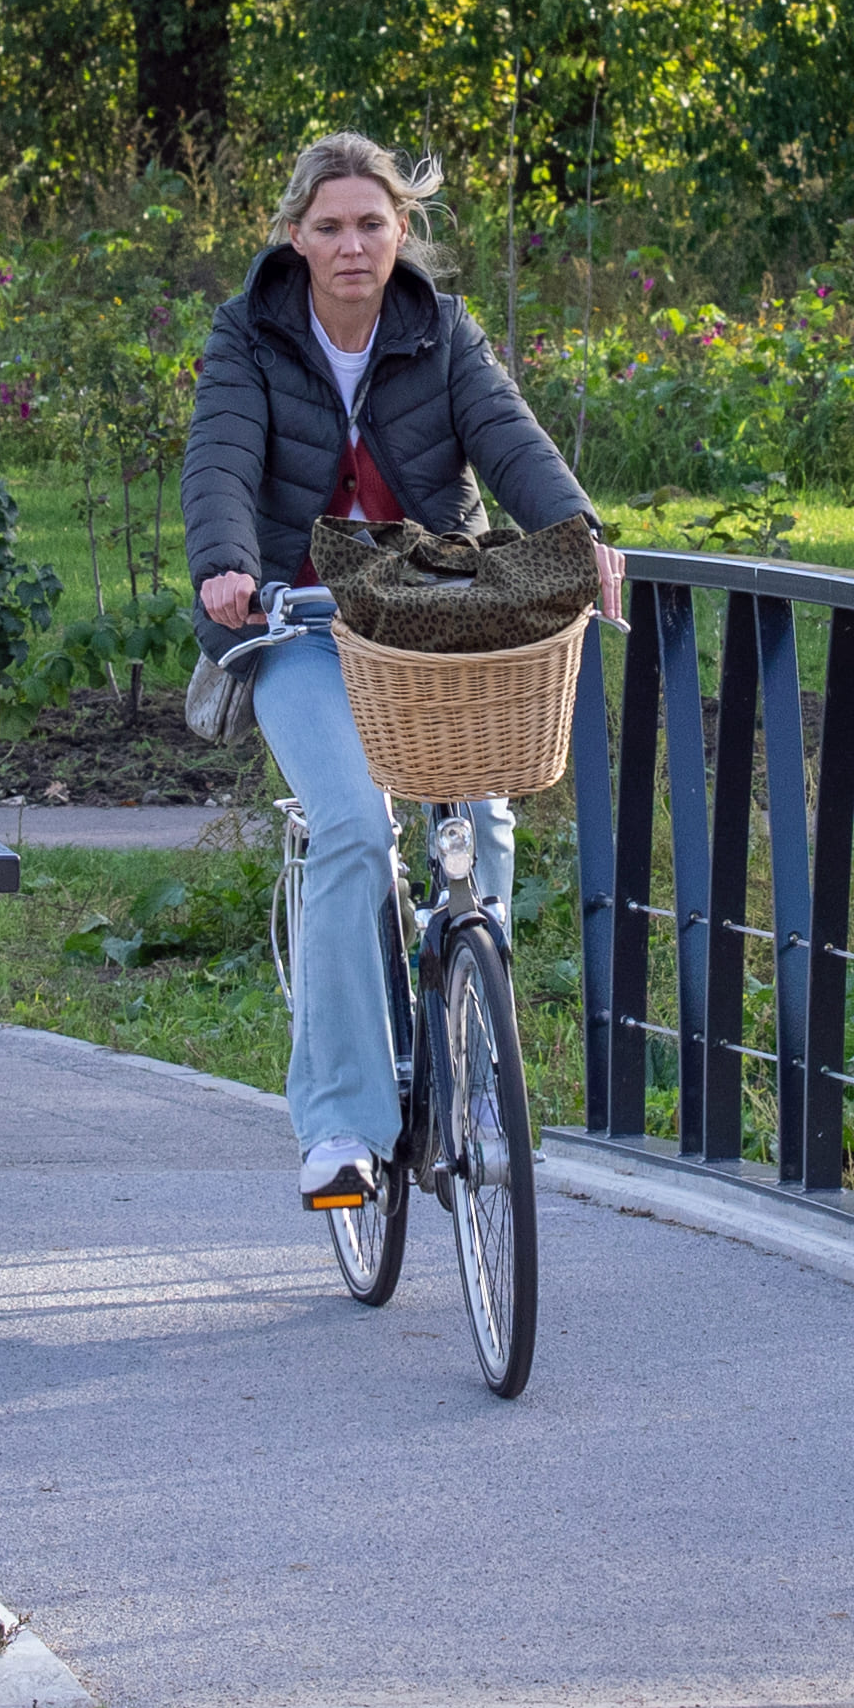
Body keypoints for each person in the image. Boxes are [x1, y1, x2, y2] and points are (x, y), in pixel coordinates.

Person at [186, 130, 617, 1216]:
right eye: (329, 226)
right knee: (351, 828)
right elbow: (221, 457)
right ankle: (340, 1125)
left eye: (372, 224)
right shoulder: (248, 335)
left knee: (486, 819)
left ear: (401, 230)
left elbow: (510, 441)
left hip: (433, 616)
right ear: (294, 235)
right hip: (302, 622)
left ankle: (475, 1058)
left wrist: (578, 535)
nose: (352, 245)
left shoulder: (442, 330)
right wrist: (227, 565)